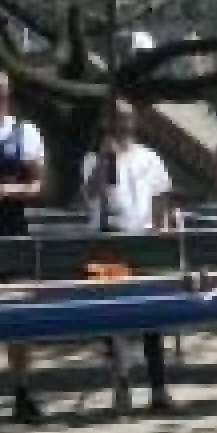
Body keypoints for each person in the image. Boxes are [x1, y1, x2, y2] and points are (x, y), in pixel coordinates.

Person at [81, 99, 175, 412]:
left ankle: (158, 388)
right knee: (113, 317)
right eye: (116, 119)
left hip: (143, 241)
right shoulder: (92, 159)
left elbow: (161, 195)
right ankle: (121, 383)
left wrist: (161, 226)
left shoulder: (149, 157)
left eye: (127, 118)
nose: (122, 124)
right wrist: (103, 161)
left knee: (152, 316)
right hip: (109, 243)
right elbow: (90, 195)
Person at [0, 70, 47, 423]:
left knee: (18, 314)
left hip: (13, 230)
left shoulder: (26, 132)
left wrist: (5, 190)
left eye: (3, 91)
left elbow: (38, 186)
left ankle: (22, 393)